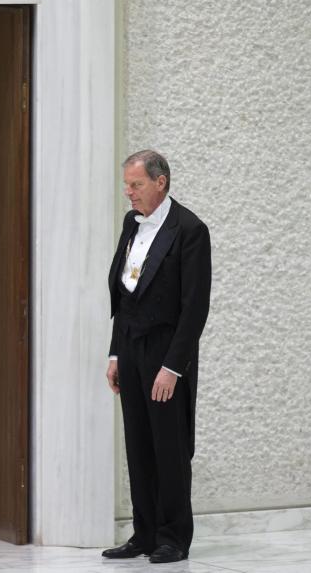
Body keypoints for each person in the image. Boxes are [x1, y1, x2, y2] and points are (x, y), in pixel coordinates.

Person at [102, 150, 211, 564]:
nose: (128, 193)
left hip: (167, 352)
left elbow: (194, 307)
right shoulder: (132, 223)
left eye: (136, 185)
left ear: (160, 182)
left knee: (169, 445)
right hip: (130, 347)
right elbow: (123, 295)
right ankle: (144, 532)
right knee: (139, 444)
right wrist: (115, 353)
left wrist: (172, 367)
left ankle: (173, 536)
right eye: (127, 185)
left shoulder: (190, 230)